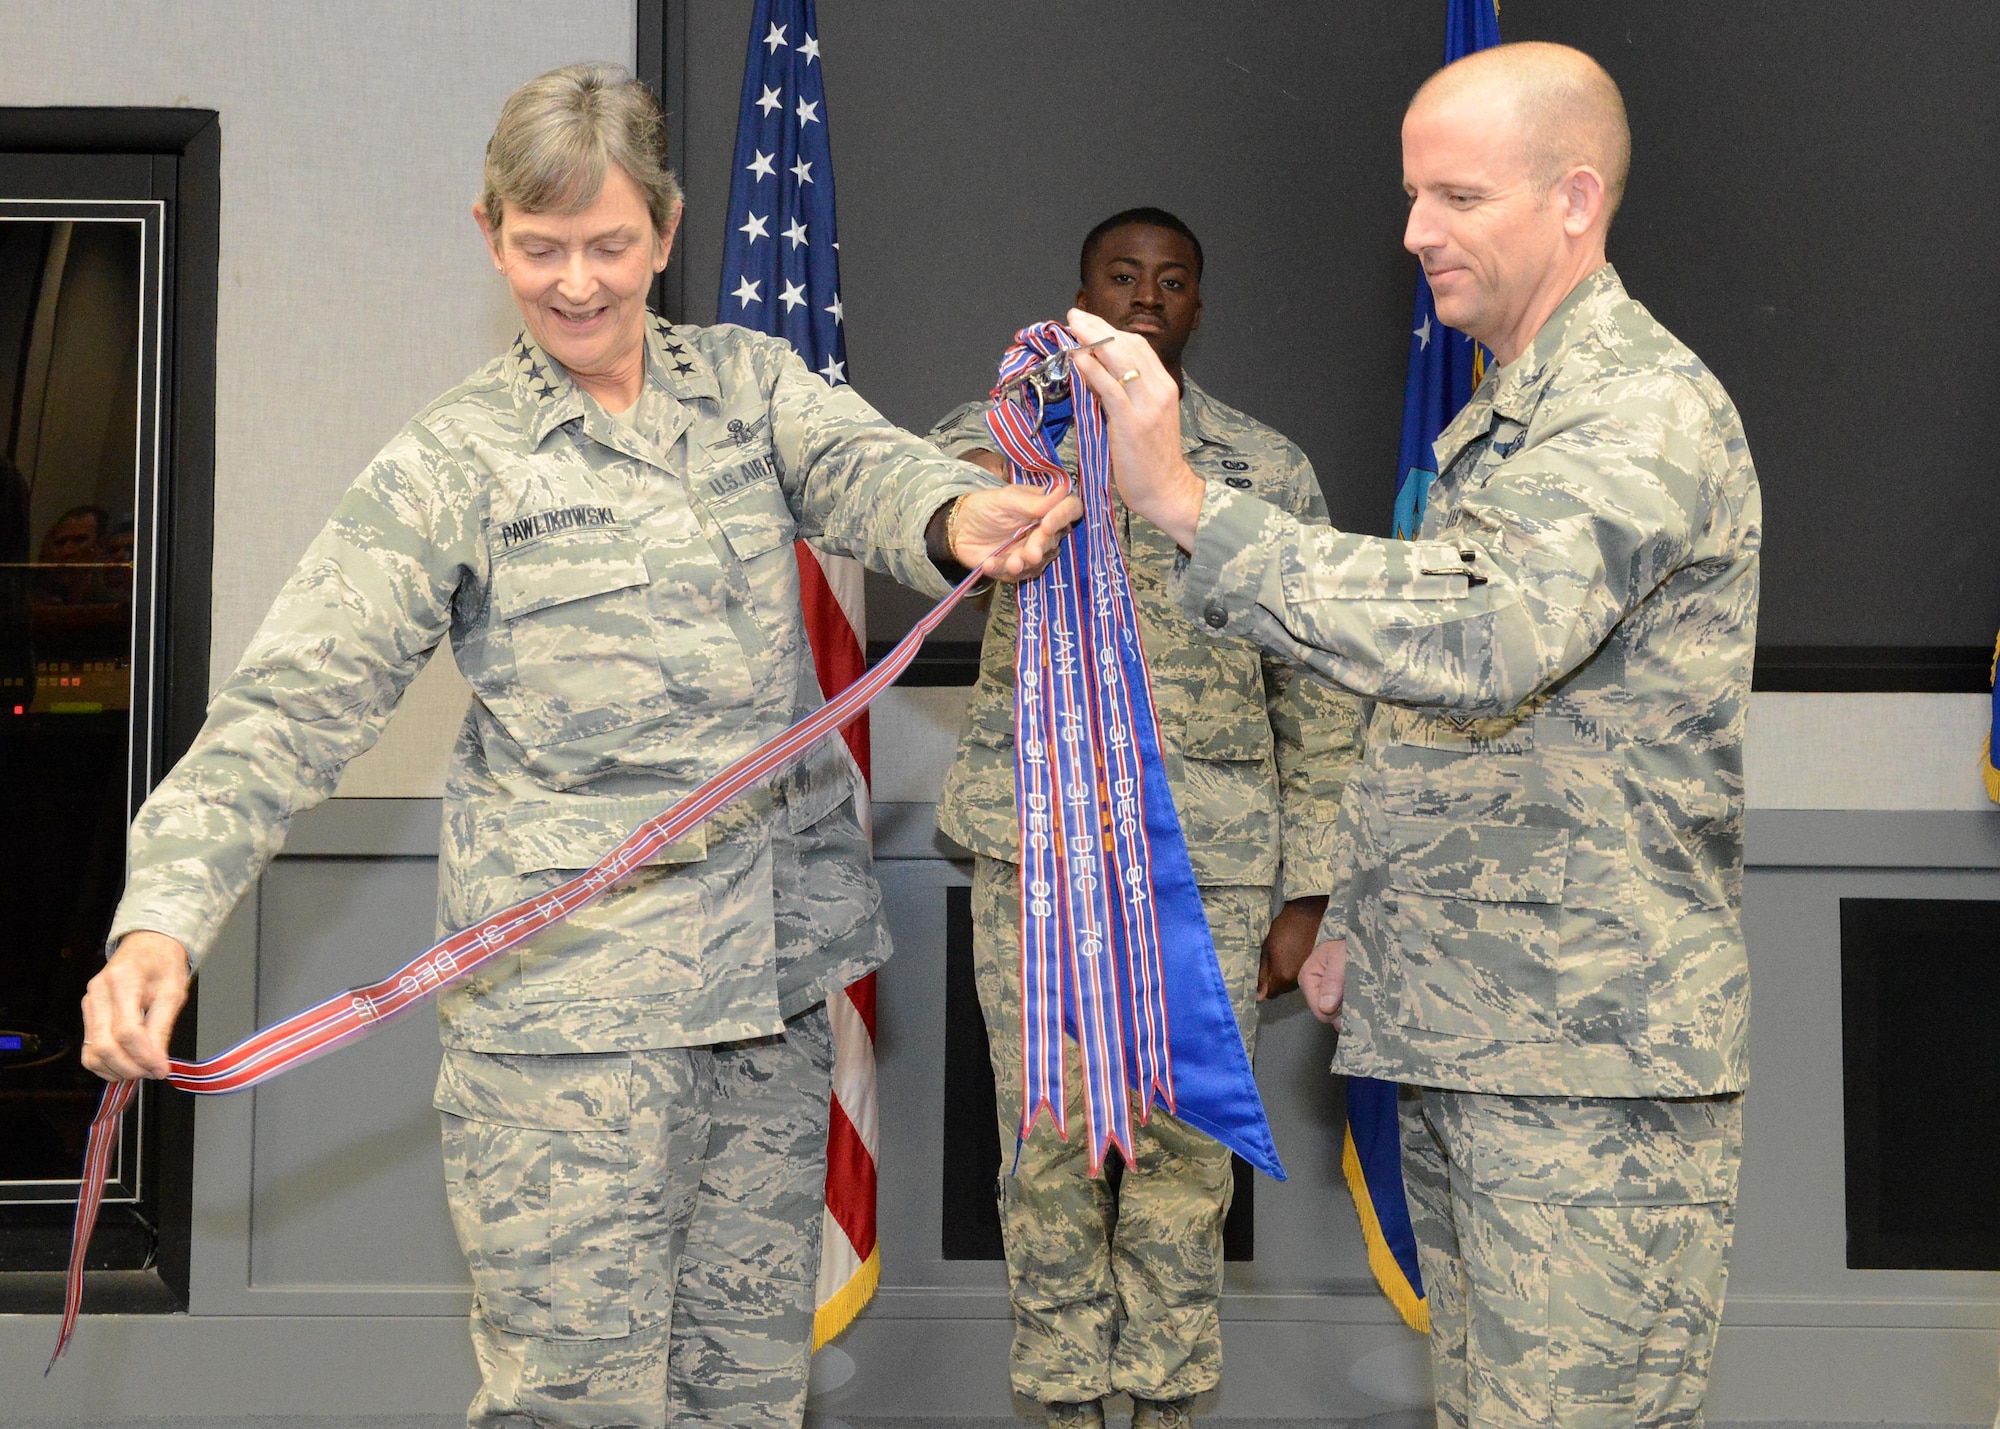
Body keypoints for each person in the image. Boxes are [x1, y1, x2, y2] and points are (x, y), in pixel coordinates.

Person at [78, 63, 1077, 1429]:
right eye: (540, 248)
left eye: (609, 244)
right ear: (488, 235)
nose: (577, 282)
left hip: (769, 1002)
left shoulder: (747, 386)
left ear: (664, 232)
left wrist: (961, 515)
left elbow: (871, 470)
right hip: (570, 1035)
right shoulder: (455, 464)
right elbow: (288, 706)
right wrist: (163, 920)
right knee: (576, 1406)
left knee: (746, 1396)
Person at [1071, 43, 1759, 1428]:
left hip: (1584, 1064)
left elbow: (1482, 633)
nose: (1413, 234)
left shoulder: (1632, 409)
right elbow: (1474, 721)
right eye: (1411, 194)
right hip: (1481, 1033)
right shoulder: (1515, 412)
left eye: (1453, 196)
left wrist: (1199, 509)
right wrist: (1365, 907)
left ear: (1574, 200)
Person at [927, 208, 1366, 1428]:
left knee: (1182, 1156)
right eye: (1121, 276)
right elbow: (906, 513)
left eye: (1170, 282)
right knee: (1047, 1150)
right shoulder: (1009, 439)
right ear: (1080, 291)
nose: (1145, 297)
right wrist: (1028, 414)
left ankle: (1168, 1404)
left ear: (1196, 307)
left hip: (1208, 869)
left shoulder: (1260, 468)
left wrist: (1309, 888)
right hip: (1041, 860)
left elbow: (1318, 686)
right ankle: (1061, 1402)